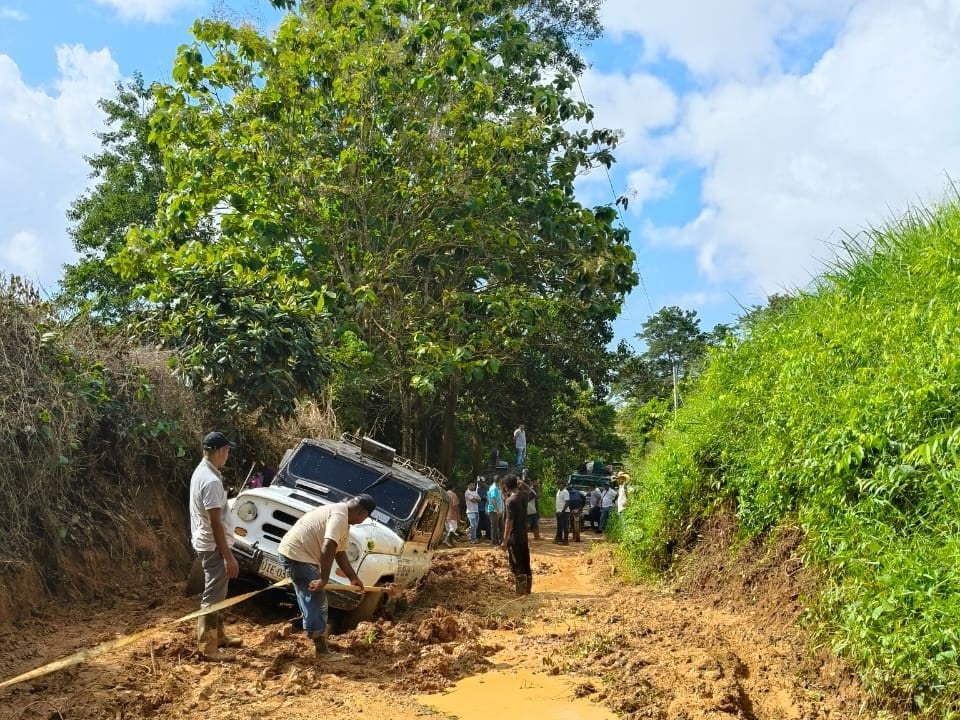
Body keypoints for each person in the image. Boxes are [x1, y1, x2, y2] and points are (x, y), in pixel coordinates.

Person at [277, 494, 376, 660]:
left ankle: (316, 635)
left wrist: (353, 577)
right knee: (317, 599)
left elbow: (340, 552)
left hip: (299, 555)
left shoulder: (342, 517)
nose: (364, 521)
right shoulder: (339, 517)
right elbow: (328, 545)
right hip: (297, 556)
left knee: (312, 597)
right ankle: (321, 650)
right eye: (366, 517)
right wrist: (323, 579)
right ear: (362, 513)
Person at [189, 431, 240, 661]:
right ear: (219, 451)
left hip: (209, 543)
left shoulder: (205, 473)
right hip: (213, 546)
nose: (227, 456)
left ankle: (218, 636)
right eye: (227, 451)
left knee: (220, 592)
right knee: (212, 596)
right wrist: (228, 556)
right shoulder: (210, 481)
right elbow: (215, 522)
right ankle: (208, 648)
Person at [501, 474, 532, 595]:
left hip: (514, 537)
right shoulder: (523, 496)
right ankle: (528, 590)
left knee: (516, 563)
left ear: (506, 486)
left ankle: (521, 591)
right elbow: (530, 490)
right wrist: (522, 483)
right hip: (523, 535)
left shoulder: (511, 501)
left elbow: (509, 521)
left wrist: (504, 540)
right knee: (525, 561)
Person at [486, 476, 504, 546]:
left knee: (501, 526)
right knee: (494, 526)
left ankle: (501, 540)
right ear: (498, 480)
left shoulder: (498, 488)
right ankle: (494, 541)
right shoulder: (493, 489)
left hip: (499, 510)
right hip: (494, 511)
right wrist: (498, 510)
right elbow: (493, 500)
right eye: (501, 480)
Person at [554, 479, 570, 545]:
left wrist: (563, 511)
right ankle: (559, 539)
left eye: (561, 484)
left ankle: (566, 541)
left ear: (564, 485)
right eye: (558, 484)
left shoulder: (565, 492)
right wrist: (557, 511)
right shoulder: (558, 491)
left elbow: (567, 502)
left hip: (564, 512)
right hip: (558, 511)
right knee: (559, 526)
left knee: (565, 526)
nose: (559, 485)